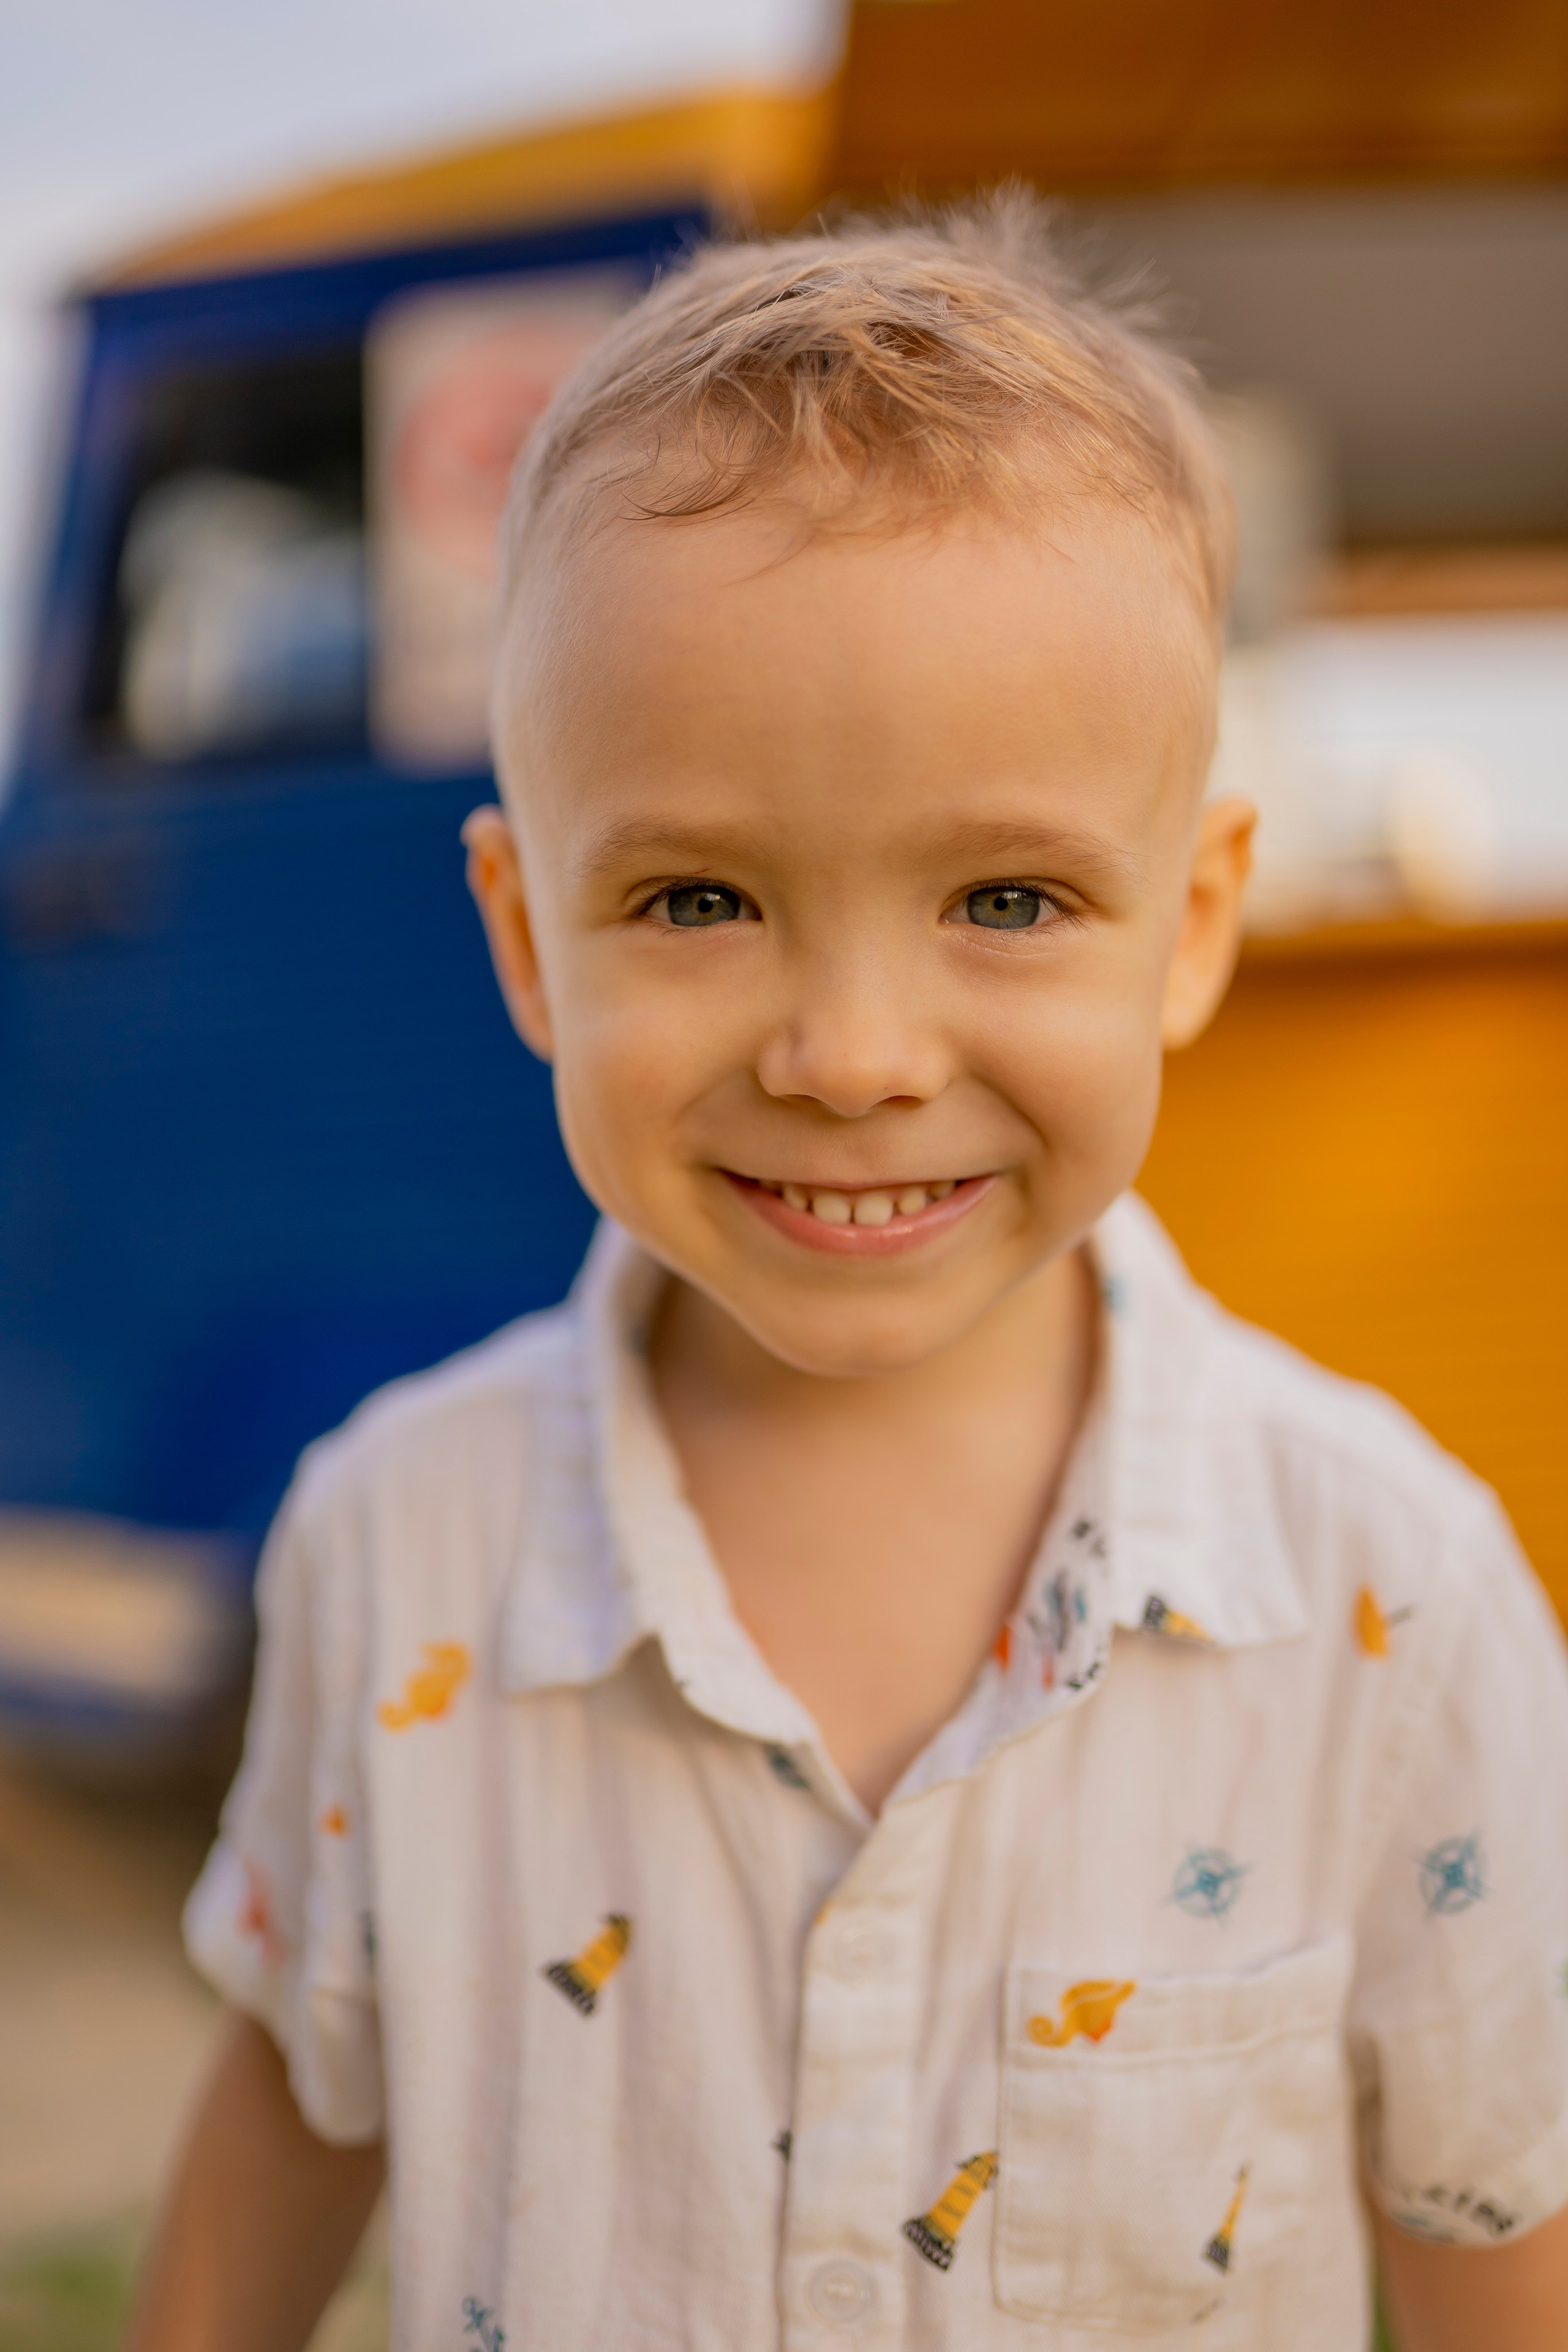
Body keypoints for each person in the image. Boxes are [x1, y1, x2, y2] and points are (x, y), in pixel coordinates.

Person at [126, 197, 1568, 2352]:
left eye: (1005, 895)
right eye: (701, 901)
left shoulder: (1390, 1590)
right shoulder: (394, 1542)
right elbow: (305, 2093)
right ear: (528, 939)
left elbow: (1491, 2210)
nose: (854, 1058)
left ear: (1192, 926)